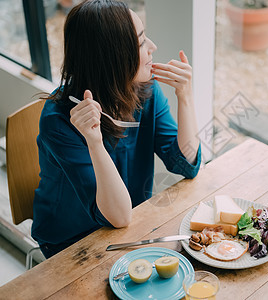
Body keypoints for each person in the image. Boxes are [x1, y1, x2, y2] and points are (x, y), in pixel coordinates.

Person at [32, 0, 201, 258]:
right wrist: (95, 142)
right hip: (72, 241)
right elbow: (118, 216)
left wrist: (185, 97)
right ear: (112, 56)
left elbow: (186, 164)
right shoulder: (60, 121)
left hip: (130, 223)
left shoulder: (146, 91)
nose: (153, 47)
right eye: (142, 42)